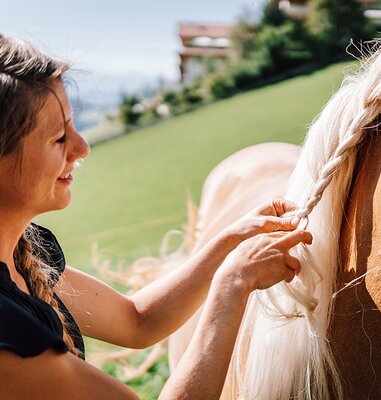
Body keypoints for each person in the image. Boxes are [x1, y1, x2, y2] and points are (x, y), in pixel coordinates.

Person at [0, 35, 312, 399]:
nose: (82, 147)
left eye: (74, 125)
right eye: (58, 138)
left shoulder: (24, 252)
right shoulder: (7, 336)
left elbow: (137, 321)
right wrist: (232, 286)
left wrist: (229, 241)